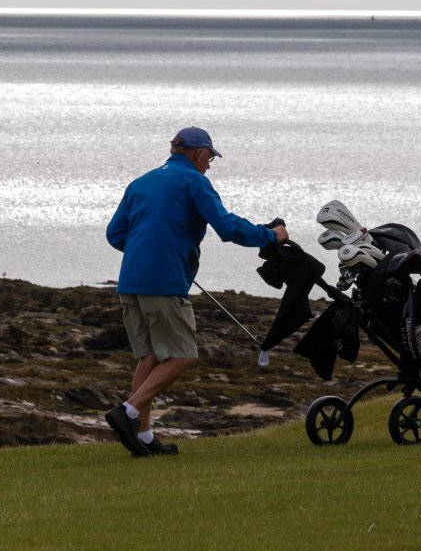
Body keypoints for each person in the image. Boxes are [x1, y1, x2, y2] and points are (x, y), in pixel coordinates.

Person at [103, 126, 289, 457]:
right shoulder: (194, 181)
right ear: (198, 153)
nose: (210, 165)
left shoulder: (141, 182)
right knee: (183, 356)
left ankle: (143, 438)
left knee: (150, 356)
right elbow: (228, 228)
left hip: (130, 282)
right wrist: (270, 235)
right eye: (210, 158)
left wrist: (154, 249)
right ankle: (128, 412)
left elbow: (116, 234)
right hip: (164, 284)